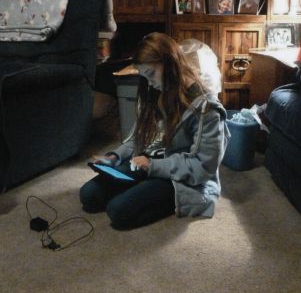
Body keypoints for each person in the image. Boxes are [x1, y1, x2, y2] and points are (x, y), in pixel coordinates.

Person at [80, 33, 229, 230]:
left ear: (170, 63)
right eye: (145, 77)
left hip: (181, 178)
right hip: (147, 163)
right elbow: (139, 138)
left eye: (151, 74)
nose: (149, 83)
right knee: (89, 195)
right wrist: (114, 157)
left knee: (118, 211)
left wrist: (153, 166)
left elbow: (202, 167)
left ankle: (160, 197)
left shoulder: (207, 108)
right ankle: (138, 188)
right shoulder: (155, 93)